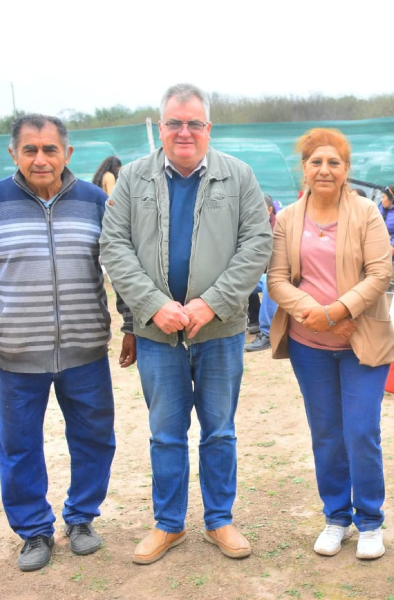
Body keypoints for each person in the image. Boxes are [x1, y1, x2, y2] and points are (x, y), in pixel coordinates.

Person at [0, 114, 136, 572]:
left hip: (85, 352)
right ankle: (34, 530)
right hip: (16, 357)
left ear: (67, 154)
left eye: (50, 149)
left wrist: (131, 323)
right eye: (30, 149)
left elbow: (122, 268)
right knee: (19, 447)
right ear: (13, 153)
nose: (40, 159)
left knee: (95, 438)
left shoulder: (96, 202)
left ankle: (81, 519)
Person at [100, 83, 272, 565]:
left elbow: (257, 244)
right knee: (166, 433)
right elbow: (114, 248)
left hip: (219, 331)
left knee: (219, 430)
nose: (184, 131)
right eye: (174, 122)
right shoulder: (133, 179)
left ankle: (220, 520)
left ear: (208, 128)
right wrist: (153, 305)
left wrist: (211, 303)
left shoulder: (239, 177)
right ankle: (168, 524)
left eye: (194, 123)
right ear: (160, 127)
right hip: (158, 335)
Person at [267, 127, 394, 560]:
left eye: (334, 162)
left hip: (362, 342)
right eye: (316, 162)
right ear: (304, 169)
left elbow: (381, 273)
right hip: (309, 345)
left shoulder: (366, 212)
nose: (325, 169)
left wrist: (338, 313)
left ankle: (371, 521)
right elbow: (277, 280)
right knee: (326, 434)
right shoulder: (287, 218)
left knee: (362, 432)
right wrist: (316, 318)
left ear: (346, 170)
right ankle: (336, 518)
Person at [245, 195, 280, 353]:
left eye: (259, 209)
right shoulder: (250, 225)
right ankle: (253, 321)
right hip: (259, 270)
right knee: (237, 278)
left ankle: (267, 333)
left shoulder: (279, 225)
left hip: (279, 274)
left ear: (270, 210)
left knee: (269, 281)